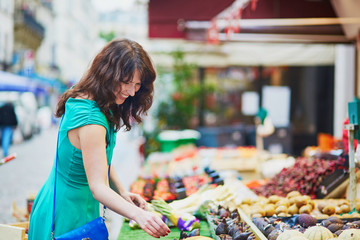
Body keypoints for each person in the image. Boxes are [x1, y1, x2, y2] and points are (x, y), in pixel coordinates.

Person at [28, 39, 170, 239]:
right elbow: (97, 187)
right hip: (69, 213)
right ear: (108, 73)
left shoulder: (94, 100)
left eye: (137, 84)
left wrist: (122, 192)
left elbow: (98, 159)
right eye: (127, 82)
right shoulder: (91, 120)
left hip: (66, 202)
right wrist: (139, 216)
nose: (131, 91)